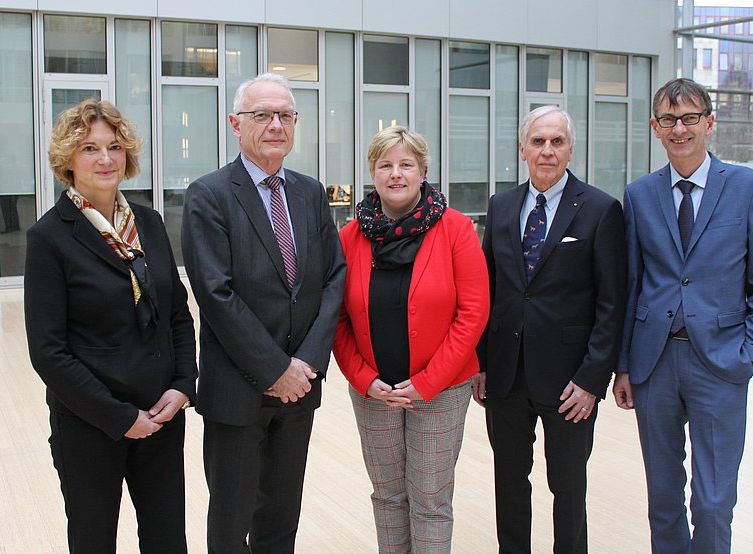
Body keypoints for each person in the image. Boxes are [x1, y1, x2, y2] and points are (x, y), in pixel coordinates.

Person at [613, 78, 753, 553]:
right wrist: (624, 364)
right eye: (669, 120)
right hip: (654, 365)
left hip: (722, 363)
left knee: (712, 501)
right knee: (662, 499)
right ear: (655, 128)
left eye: (690, 118)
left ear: (709, 122)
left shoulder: (748, 188)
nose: (680, 128)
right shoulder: (640, 194)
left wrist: (750, 356)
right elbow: (633, 284)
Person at [180, 73, 346, 553]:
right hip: (239, 388)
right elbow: (215, 293)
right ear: (236, 124)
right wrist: (276, 369)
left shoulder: (311, 192)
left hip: (300, 390)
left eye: (285, 115)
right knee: (232, 520)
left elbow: (334, 278)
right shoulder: (209, 194)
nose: (275, 125)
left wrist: (307, 364)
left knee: (282, 516)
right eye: (262, 115)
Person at [24, 99, 197, 553]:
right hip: (90, 423)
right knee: (93, 540)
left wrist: (182, 385)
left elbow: (177, 313)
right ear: (67, 159)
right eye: (89, 148)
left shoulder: (150, 224)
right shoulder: (49, 238)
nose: (105, 159)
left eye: (115, 147)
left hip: (160, 415)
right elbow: (48, 351)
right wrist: (121, 418)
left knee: (166, 540)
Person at [475, 106, 627, 553]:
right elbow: (489, 290)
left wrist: (592, 380)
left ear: (570, 148)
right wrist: (481, 363)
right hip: (504, 376)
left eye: (556, 141)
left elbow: (612, 303)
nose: (547, 150)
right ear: (522, 149)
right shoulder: (500, 207)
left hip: (570, 382)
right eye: (538, 141)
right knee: (509, 482)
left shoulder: (601, 210)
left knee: (568, 488)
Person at [332, 126, 490, 552]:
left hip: (441, 391)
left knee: (430, 501)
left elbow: (473, 314)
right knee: (387, 496)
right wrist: (364, 379)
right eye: (386, 165)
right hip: (374, 394)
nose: (396, 174)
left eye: (406, 165)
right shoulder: (349, 236)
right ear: (372, 172)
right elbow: (338, 319)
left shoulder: (456, 229)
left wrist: (428, 381)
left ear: (423, 172)